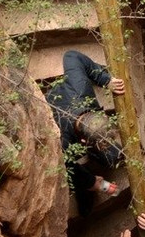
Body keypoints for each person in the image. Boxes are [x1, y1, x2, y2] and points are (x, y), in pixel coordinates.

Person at [46, 50, 125, 214]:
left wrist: (106, 80)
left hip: (66, 99)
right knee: (81, 181)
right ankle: (86, 199)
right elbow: (67, 167)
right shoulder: (63, 142)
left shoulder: (80, 88)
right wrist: (94, 184)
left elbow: (71, 55)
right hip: (53, 117)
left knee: (113, 156)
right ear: (84, 143)